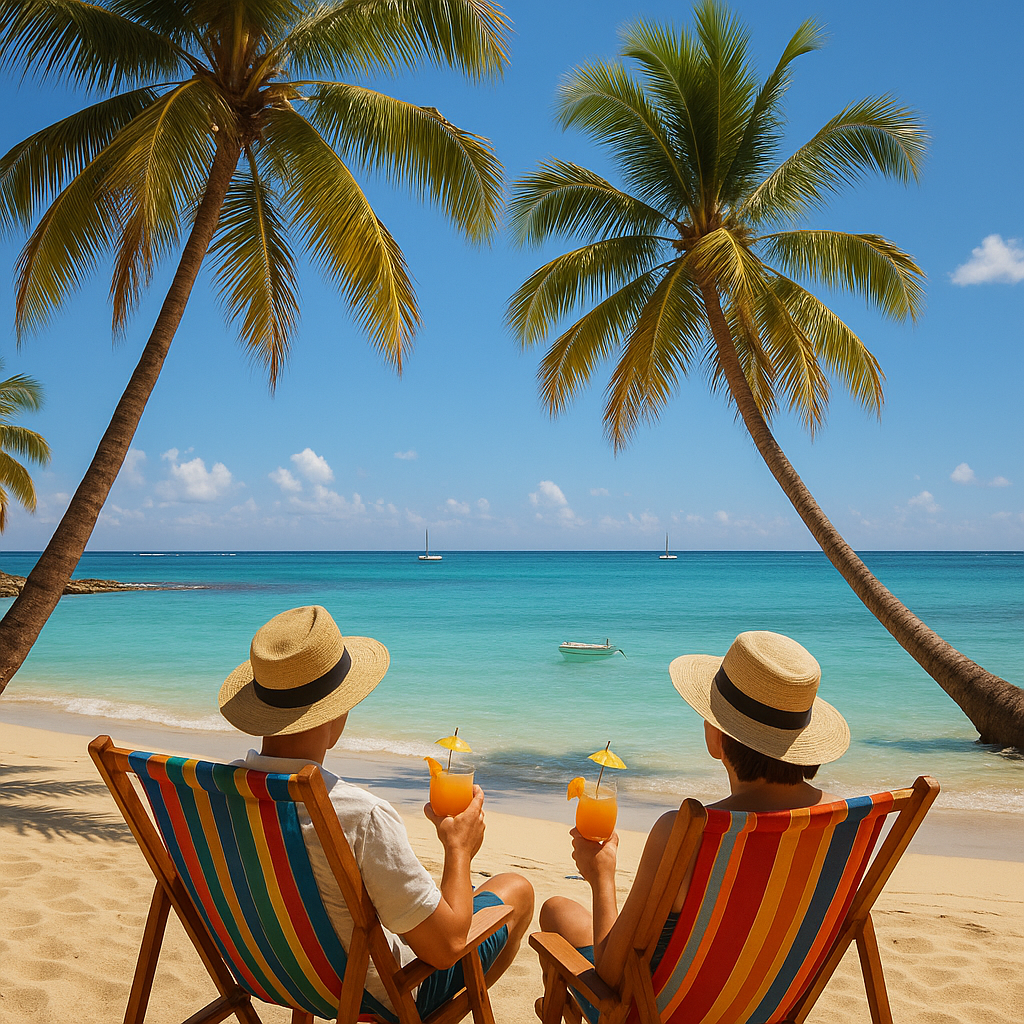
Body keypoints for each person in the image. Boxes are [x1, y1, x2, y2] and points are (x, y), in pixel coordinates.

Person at [218, 605, 534, 1020]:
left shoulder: (217, 791)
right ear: (338, 713)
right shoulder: (358, 815)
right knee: (517, 890)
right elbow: (445, 948)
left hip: (268, 972)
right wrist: (459, 850)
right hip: (370, 992)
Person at [539, 630, 850, 1021]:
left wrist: (601, 875)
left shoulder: (685, 833)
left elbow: (611, 973)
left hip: (661, 1011)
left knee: (554, 914)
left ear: (717, 736)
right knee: (562, 911)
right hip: (759, 1004)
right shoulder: (841, 822)